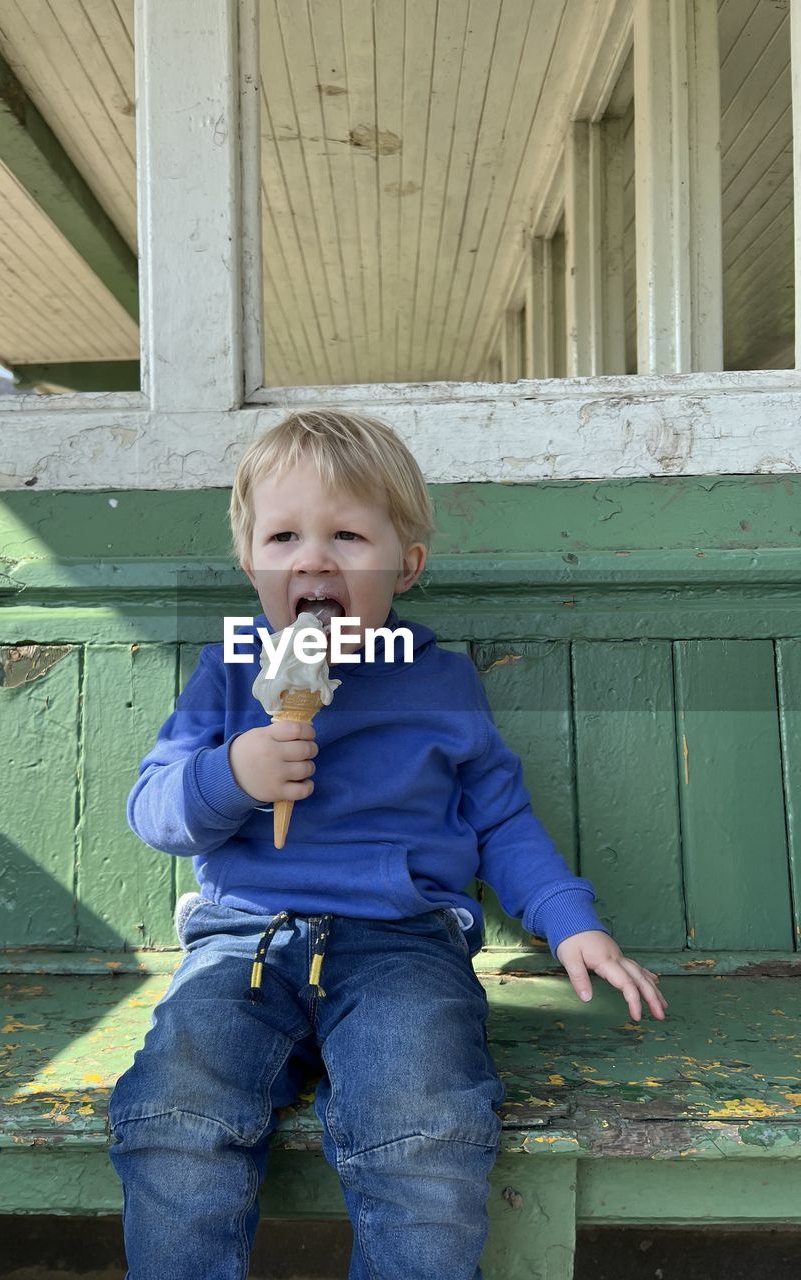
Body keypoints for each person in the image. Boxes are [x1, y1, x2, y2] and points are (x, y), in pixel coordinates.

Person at [108, 410, 667, 1280]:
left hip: (403, 943)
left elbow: (500, 821)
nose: (314, 559)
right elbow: (154, 813)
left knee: (425, 1127)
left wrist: (569, 922)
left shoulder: (440, 682)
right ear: (252, 562)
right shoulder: (227, 674)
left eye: (348, 535)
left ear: (406, 564)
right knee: (176, 1115)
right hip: (244, 941)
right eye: (284, 535)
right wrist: (235, 774)